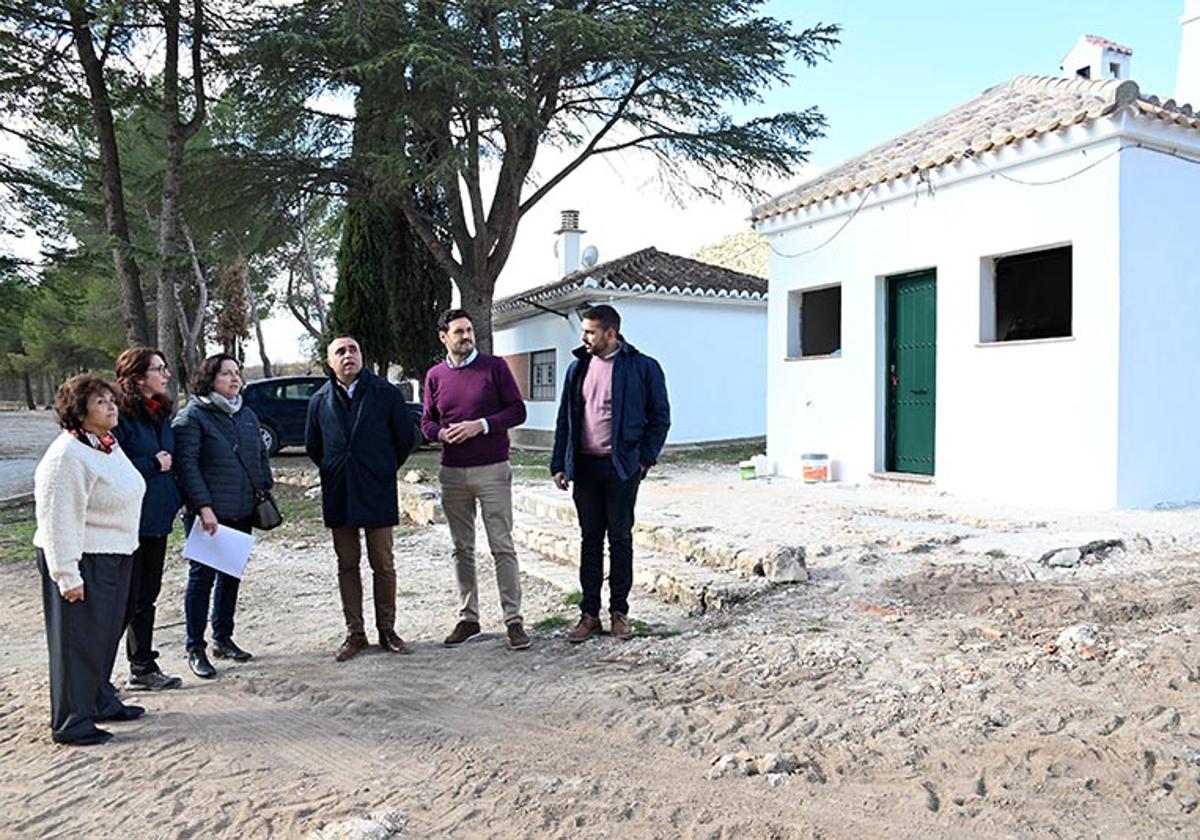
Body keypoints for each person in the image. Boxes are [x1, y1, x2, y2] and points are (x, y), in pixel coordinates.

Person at [33, 374, 147, 745]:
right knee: (78, 640)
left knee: (103, 635)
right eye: (100, 402)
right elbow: (57, 519)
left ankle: (99, 698)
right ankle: (71, 721)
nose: (111, 406)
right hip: (82, 557)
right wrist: (66, 574)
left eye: (111, 400)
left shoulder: (105, 444)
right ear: (79, 411)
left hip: (115, 553)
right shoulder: (67, 455)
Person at [550, 304, 670, 643]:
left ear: (610, 333)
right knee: (590, 541)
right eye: (584, 332)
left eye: (590, 332)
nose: (584, 338)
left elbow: (660, 418)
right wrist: (559, 463)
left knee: (620, 540)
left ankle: (620, 613)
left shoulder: (643, 368)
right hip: (585, 467)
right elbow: (565, 419)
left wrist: (643, 461)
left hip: (621, 467)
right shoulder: (577, 368)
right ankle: (589, 615)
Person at [422, 308, 531, 651]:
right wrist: (441, 433)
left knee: (502, 545)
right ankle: (469, 618)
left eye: (469, 330)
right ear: (444, 337)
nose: (467, 336)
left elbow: (518, 410)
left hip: (492, 469)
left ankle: (513, 620)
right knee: (461, 548)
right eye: (459, 331)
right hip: (452, 472)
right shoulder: (435, 376)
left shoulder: (494, 367)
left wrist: (480, 426)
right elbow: (427, 422)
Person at [305, 335, 418, 662]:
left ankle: (387, 630)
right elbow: (314, 446)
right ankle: (355, 632)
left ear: (362, 356)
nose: (348, 355)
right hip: (339, 491)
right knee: (347, 563)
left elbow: (406, 438)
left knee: (383, 562)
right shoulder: (319, 400)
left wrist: (381, 467)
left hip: (377, 488)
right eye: (340, 351)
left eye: (353, 349)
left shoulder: (386, 393)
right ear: (330, 362)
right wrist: (337, 468)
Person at [173, 354, 272, 679]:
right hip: (209, 513)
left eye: (236, 373)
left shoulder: (245, 413)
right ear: (209, 379)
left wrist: (264, 487)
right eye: (226, 373)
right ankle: (195, 647)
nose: (234, 379)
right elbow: (187, 466)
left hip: (242, 508)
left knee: (231, 576)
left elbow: (259, 455)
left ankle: (223, 638)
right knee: (202, 579)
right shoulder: (193, 416)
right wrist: (203, 507)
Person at [113, 347, 184, 691]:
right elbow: (112, 468)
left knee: (146, 596)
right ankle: (96, 677)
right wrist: (154, 464)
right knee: (126, 600)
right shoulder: (119, 418)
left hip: (156, 520)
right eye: (159, 369)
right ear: (138, 378)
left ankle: (142, 666)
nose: (166, 374)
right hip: (128, 522)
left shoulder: (161, 413)